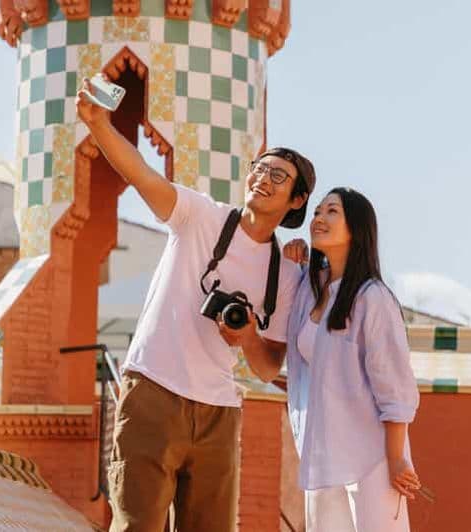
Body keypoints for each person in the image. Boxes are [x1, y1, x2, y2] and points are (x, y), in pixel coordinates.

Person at [75, 76, 316, 532]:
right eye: (259, 168)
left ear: (297, 199)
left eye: (278, 176)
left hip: (219, 414)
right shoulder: (200, 216)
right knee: (136, 525)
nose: (263, 179)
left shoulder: (285, 274)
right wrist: (100, 125)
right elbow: (142, 174)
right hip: (152, 391)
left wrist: (246, 338)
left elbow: (268, 368)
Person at [282, 188, 422, 532]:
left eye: (332, 211)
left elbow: (394, 384)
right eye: (317, 211)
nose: (319, 218)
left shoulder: (373, 298)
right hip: (323, 452)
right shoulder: (309, 289)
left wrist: (395, 457)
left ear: (357, 229)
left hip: (371, 456)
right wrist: (291, 261)